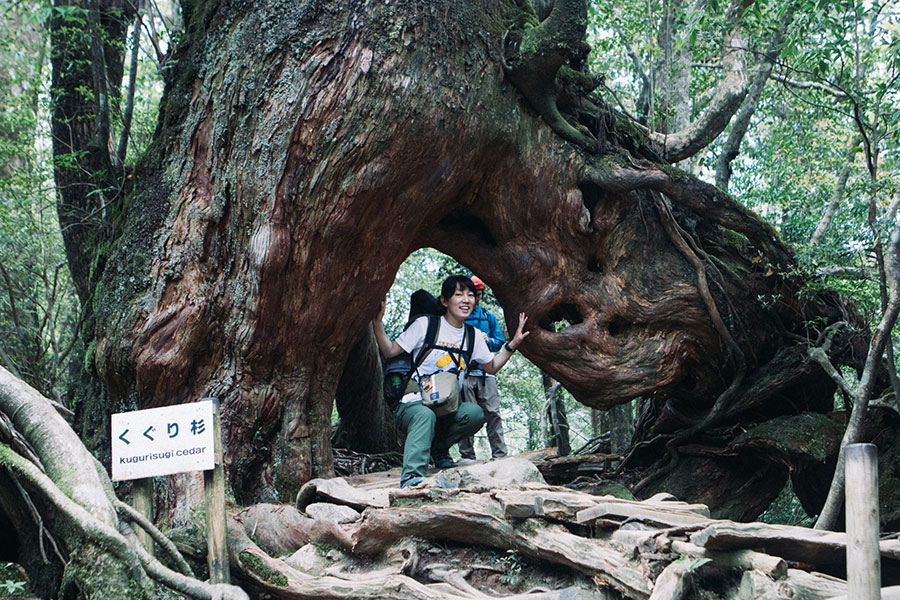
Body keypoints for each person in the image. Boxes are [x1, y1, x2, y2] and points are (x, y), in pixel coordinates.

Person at [373, 275, 530, 488]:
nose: (466, 300)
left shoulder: (473, 335)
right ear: (445, 301)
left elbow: (491, 366)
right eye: (459, 295)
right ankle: (411, 477)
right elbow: (389, 350)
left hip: (446, 405)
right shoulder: (425, 325)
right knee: (424, 415)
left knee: (475, 414)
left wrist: (513, 344)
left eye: (471, 295)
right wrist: (377, 322)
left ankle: (438, 448)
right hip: (413, 403)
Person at [458, 275, 509, 461]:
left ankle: (500, 455)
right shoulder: (458, 318)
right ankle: (467, 457)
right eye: (473, 293)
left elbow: (499, 343)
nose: (475, 297)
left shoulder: (488, 317)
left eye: (478, 293)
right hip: (465, 373)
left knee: (493, 413)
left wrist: (489, 341)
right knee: (466, 415)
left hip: (487, 373)